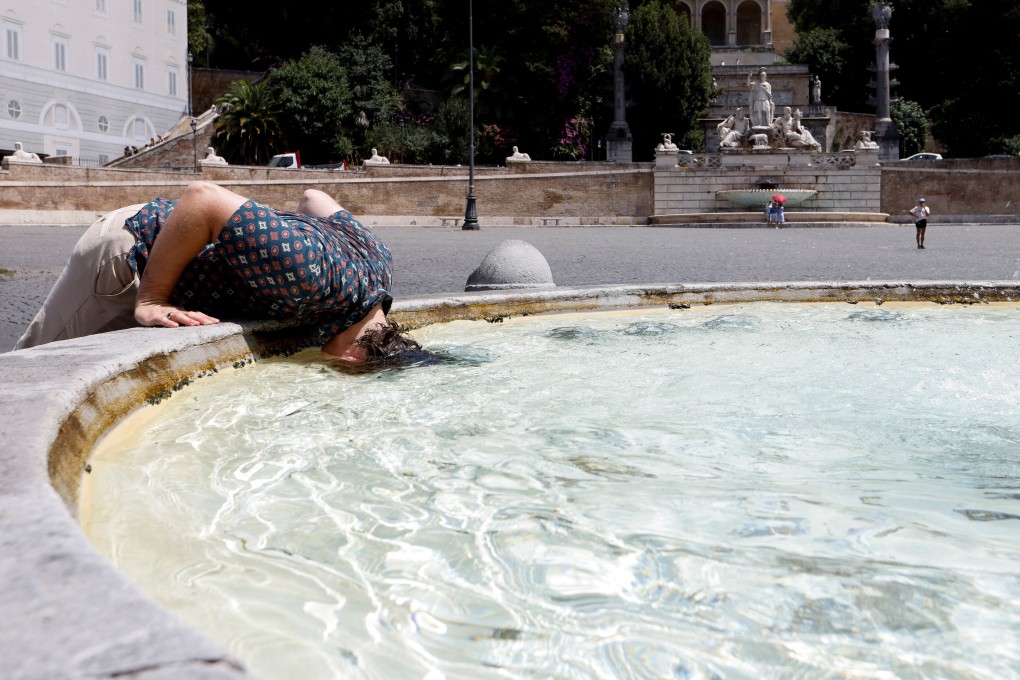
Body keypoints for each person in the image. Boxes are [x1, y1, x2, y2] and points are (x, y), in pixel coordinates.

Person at [15, 182, 425, 367]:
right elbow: (204, 198)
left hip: (165, 256)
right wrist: (151, 299)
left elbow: (313, 198)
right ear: (353, 355)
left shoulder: (379, 263)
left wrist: (265, 234)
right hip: (126, 251)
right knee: (34, 370)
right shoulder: (308, 277)